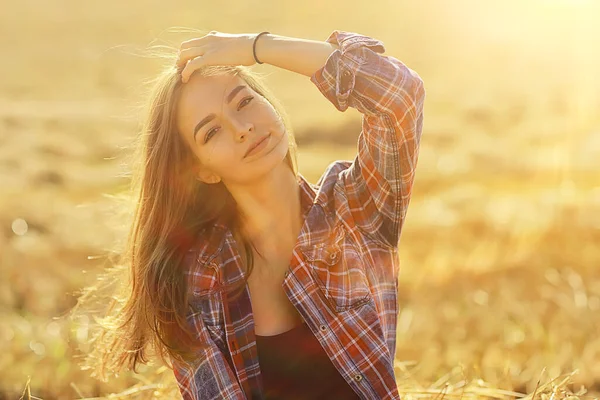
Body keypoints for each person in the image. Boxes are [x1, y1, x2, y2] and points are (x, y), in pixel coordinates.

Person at [78, 29, 425, 400]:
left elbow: (400, 94)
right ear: (202, 170)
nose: (242, 129)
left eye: (243, 102)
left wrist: (257, 47)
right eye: (211, 132)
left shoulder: (356, 211)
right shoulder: (197, 279)